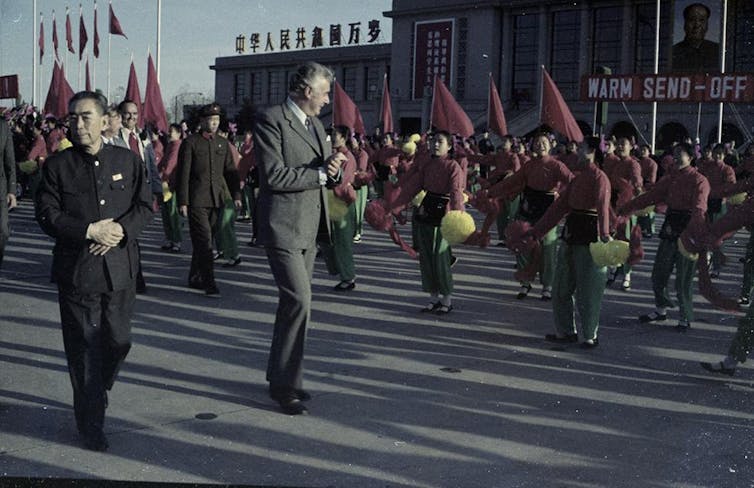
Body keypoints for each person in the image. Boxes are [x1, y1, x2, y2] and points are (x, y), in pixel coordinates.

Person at [35, 91, 153, 451]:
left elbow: (144, 204)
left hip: (120, 269)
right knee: (84, 349)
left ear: (106, 121)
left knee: (118, 341)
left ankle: (96, 389)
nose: (78, 124)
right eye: (72, 117)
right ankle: (91, 423)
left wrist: (120, 231)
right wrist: (89, 231)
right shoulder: (57, 166)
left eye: (86, 117)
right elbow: (48, 214)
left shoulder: (129, 160)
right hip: (78, 272)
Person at [254, 61, 345, 415]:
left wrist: (333, 172)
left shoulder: (316, 125)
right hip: (282, 226)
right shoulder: (272, 119)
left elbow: (321, 175)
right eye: (323, 93)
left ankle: (286, 379)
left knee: (294, 306)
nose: (326, 101)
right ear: (307, 91)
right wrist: (321, 175)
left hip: (309, 227)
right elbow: (274, 175)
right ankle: (284, 385)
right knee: (299, 301)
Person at [619, 142, 710, 331]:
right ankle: (661, 310)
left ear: (691, 157)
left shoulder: (700, 180)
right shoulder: (670, 179)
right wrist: (626, 208)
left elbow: (700, 209)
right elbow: (650, 197)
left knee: (683, 279)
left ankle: (685, 317)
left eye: (680, 154)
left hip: (690, 231)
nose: (676, 157)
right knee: (659, 273)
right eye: (674, 153)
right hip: (670, 228)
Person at [532, 137, 611, 348]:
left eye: (582, 148)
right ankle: (565, 331)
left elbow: (603, 208)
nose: (577, 151)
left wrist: (604, 234)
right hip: (571, 233)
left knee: (588, 289)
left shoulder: (599, 178)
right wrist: (537, 231)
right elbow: (558, 208)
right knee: (561, 287)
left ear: (593, 151)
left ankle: (589, 335)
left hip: (590, 236)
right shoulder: (577, 178)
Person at [483, 133, 573, 300]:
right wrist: (490, 192)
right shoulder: (529, 165)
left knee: (547, 248)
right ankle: (525, 282)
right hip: (528, 207)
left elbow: (572, 182)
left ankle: (547, 285)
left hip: (548, 211)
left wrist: (563, 197)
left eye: (544, 142)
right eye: (537, 142)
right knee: (522, 244)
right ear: (532, 146)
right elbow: (511, 182)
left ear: (551, 145)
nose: (541, 145)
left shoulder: (557, 165)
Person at [386, 130, 465, 313]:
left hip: (443, 216)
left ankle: (447, 300)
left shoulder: (453, 166)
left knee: (440, 259)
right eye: (432, 141)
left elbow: (455, 194)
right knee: (426, 259)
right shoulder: (427, 165)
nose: (435, 145)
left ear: (450, 146)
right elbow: (411, 189)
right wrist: (393, 208)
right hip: (425, 213)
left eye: (440, 142)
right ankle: (433, 298)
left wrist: (459, 218)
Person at [176, 103, 242, 296]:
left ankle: (195, 276)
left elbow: (230, 172)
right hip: (196, 199)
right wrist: (183, 201)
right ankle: (209, 282)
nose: (214, 124)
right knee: (205, 242)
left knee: (204, 240)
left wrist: (236, 196)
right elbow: (183, 174)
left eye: (216, 121)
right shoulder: (191, 143)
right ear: (202, 121)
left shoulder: (222, 144)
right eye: (210, 120)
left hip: (217, 199)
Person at [322, 125, 358, 290]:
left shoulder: (348, 157)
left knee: (343, 241)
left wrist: (327, 183)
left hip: (342, 202)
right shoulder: (332, 155)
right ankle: (339, 270)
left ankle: (348, 277)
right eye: (332, 134)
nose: (333, 137)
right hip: (331, 200)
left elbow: (343, 182)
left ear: (344, 137)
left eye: (336, 134)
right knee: (329, 240)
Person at [671, 2, 720, 74]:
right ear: (684, 24)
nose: (697, 25)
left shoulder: (718, 52)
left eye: (702, 20)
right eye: (692, 20)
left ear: (707, 25)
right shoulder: (673, 54)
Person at [157, 123, 184, 253]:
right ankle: (169, 238)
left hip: (171, 184)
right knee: (165, 213)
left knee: (172, 213)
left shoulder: (178, 145)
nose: (169, 133)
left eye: (171, 131)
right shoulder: (170, 145)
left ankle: (176, 241)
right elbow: (163, 161)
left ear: (179, 133)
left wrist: (163, 175)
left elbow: (170, 164)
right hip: (164, 183)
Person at [0, 117, 17, 270]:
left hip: (1, 189)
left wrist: (12, 190)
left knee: (3, 232)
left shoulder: (3, 126)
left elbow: (9, 160)